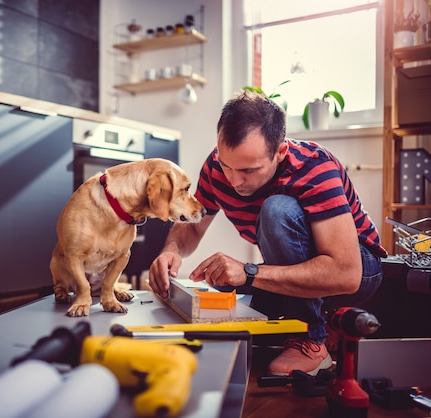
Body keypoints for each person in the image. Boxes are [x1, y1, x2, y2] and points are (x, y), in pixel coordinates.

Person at [148, 90, 387, 376]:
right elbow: (193, 226)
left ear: (280, 152)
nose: (234, 180)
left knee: (277, 210)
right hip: (304, 269)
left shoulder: (314, 167)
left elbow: (346, 274)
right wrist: (170, 250)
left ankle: (314, 340)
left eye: (249, 170)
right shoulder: (216, 167)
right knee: (221, 283)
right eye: (227, 166)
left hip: (360, 270)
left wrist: (249, 273)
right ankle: (322, 323)